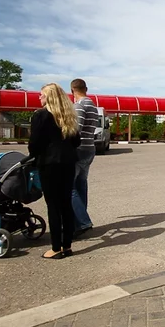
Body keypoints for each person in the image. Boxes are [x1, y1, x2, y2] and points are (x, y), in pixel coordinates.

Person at [28, 83, 81, 259]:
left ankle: (56, 248)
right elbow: (76, 142)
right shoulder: (69, 116)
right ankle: (67, 245)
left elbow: (34, 145)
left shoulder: (41, 115)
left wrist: (35, 155)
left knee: (53, 206)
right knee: (66, 204)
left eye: (41, 95)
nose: (39, 97)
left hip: (49, 165)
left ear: (49, 97)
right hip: (68, 163)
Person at [70, 78, 99, 236]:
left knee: (69, 187)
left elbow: (76, 130)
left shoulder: (79, 106)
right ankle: (80, 221)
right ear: (86, 88)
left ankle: (82, 221)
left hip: (79, 150)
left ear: (72, 90)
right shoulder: (93, 106)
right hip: (90, 148)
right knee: (81, 185)